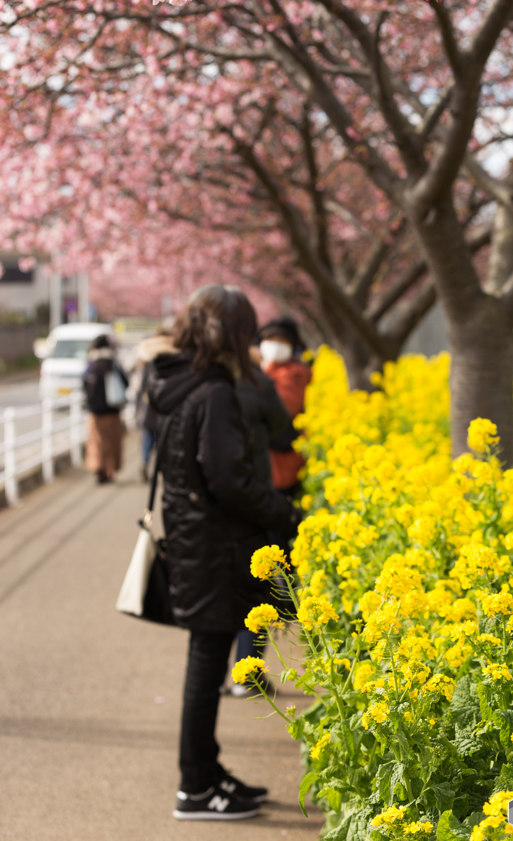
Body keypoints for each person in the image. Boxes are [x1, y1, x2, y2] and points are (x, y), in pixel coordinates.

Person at [146, 285, 298, 822]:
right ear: (233, 333)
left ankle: (207, 773)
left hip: (192, 538)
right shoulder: (211, 391)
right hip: (212, 543)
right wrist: (282, 513)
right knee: (207, 661)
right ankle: (195, 786)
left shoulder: (173, 380)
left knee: (205, 662)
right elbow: (229, 477)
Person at [227, 344, 294, 698]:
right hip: (256, 496)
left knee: (222, 588)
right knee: (257, 588)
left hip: (214, 503)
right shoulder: (257, 381)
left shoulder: (201, 383)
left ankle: (228, 675)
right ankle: (248, 672)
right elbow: (282, 424)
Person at [259, 316, 312, 496]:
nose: (275, 345)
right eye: (270, 340)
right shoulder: (262, 368)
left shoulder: (295, 374)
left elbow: (281, 409)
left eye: (281, 341)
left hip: (282, 462)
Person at [82, 334, 129, 484]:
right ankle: (110, 470)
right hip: (113, 411)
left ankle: (99, 469)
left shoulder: (91, 365)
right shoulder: (113, 364)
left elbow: (83, 386)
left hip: (95, 412)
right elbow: (126, 382)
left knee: (97, 442)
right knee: (113, 441)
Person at [134, 327, 175, 481]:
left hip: (149, 407)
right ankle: (160, 468)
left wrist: (139, 408)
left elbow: (143, 386)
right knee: (162, 441)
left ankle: (144, 463)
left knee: (147, 439)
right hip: (164, 407)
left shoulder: (149, 361)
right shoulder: (173, 359)